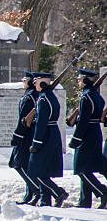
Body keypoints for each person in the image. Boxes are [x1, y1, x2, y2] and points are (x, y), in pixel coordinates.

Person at [27, 72, 68, 207]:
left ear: (42, 83)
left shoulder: (44, 99)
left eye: (36, 82)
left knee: (36, 170)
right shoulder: (48, 97)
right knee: (42, 170)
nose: (34, 84)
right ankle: (46, 200)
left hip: (45, 136)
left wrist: (36, 143)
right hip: (51, 133)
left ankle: (58, 192)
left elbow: (41, 123)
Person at [69, 69, 107, 208]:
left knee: (81, 169)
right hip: (94, 133)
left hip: (87, 135)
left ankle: (102, 191)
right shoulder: (95, 96)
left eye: (80, 79)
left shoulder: (87, 97)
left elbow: (84, 121)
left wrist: (76, 139)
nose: (78, 82)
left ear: (85, 80)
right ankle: (84, 201)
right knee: (86, 169)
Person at [9, 71, 41, 205]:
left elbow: (24, 119)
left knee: (19, 164)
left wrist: (17, 135)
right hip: (30, 133)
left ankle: (36, 190)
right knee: (24, 164)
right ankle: (30, 194)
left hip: (26, 134)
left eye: (24, 80)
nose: (23, 82)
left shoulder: (29, 97)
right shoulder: (33, 95)